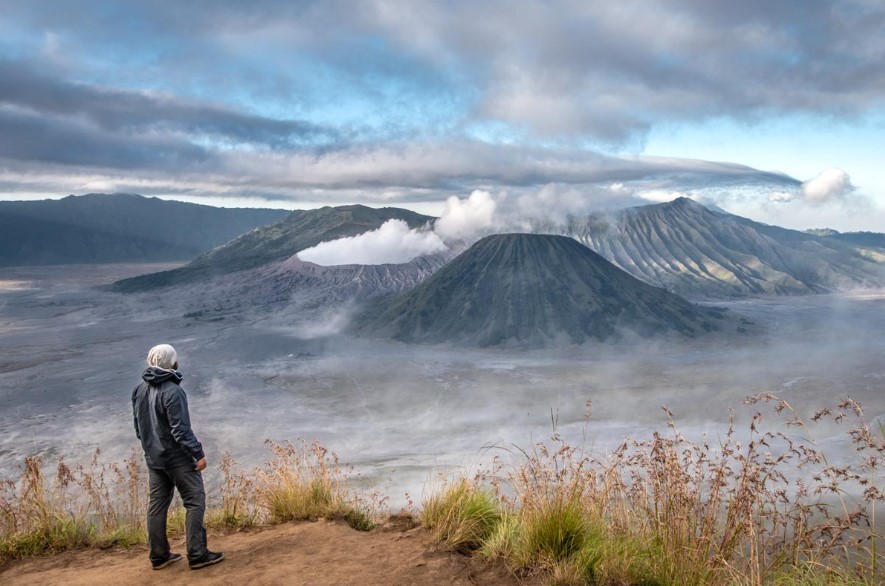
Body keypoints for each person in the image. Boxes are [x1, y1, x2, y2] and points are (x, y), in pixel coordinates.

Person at [132, 343, 225, 570]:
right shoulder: (173, 391)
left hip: (154, 459)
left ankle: (159, 557)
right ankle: (197, 554)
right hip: (177, 459)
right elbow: (180, 430)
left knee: (157, 506)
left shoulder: (139, 390)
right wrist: (198, 453)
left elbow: (138, 428)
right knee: (195, 501)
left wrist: (150, 449)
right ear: (172, 362)